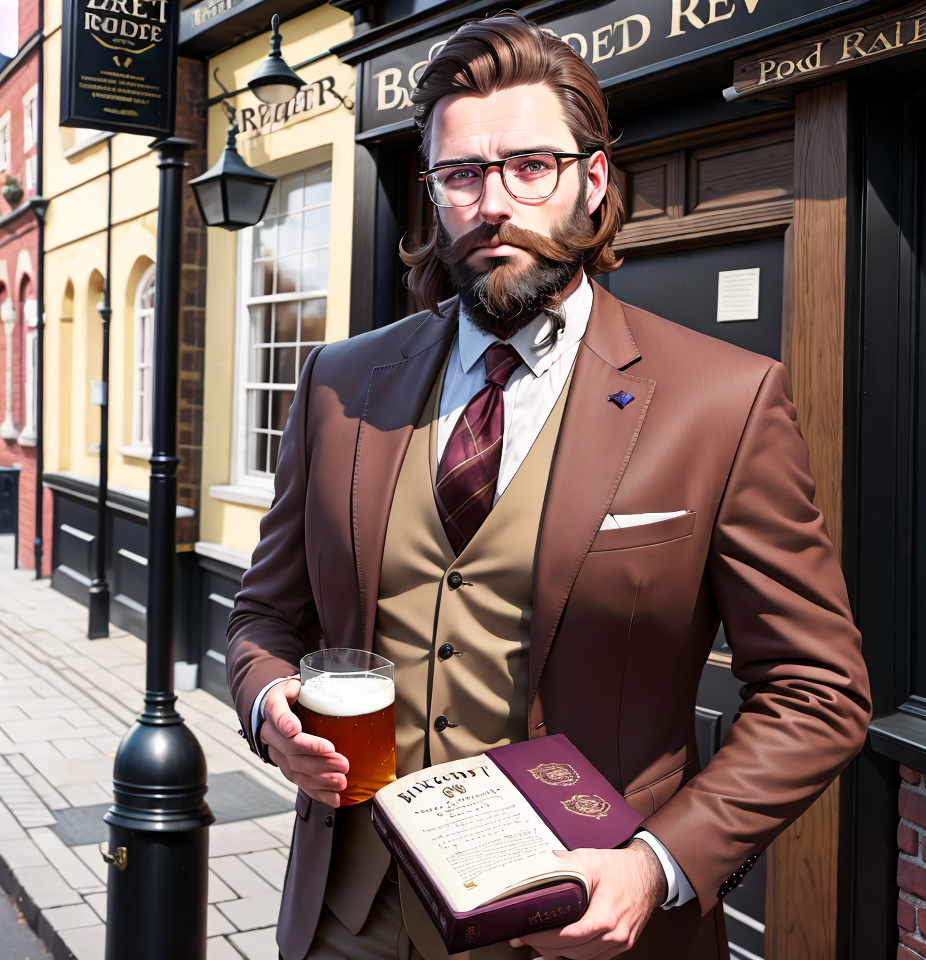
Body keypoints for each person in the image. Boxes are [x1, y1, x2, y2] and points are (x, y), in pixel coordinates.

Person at [226, 13, 871, 960]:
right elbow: (262, 618)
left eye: (531, 166)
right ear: (434, 195)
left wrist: (659, 862)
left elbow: (818, 691)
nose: (495, 203)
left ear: (591, 181)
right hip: (346, 922)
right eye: (462, 174)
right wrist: (267, 702)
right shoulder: (338, 384)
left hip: (575, 927)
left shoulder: (724, 401)